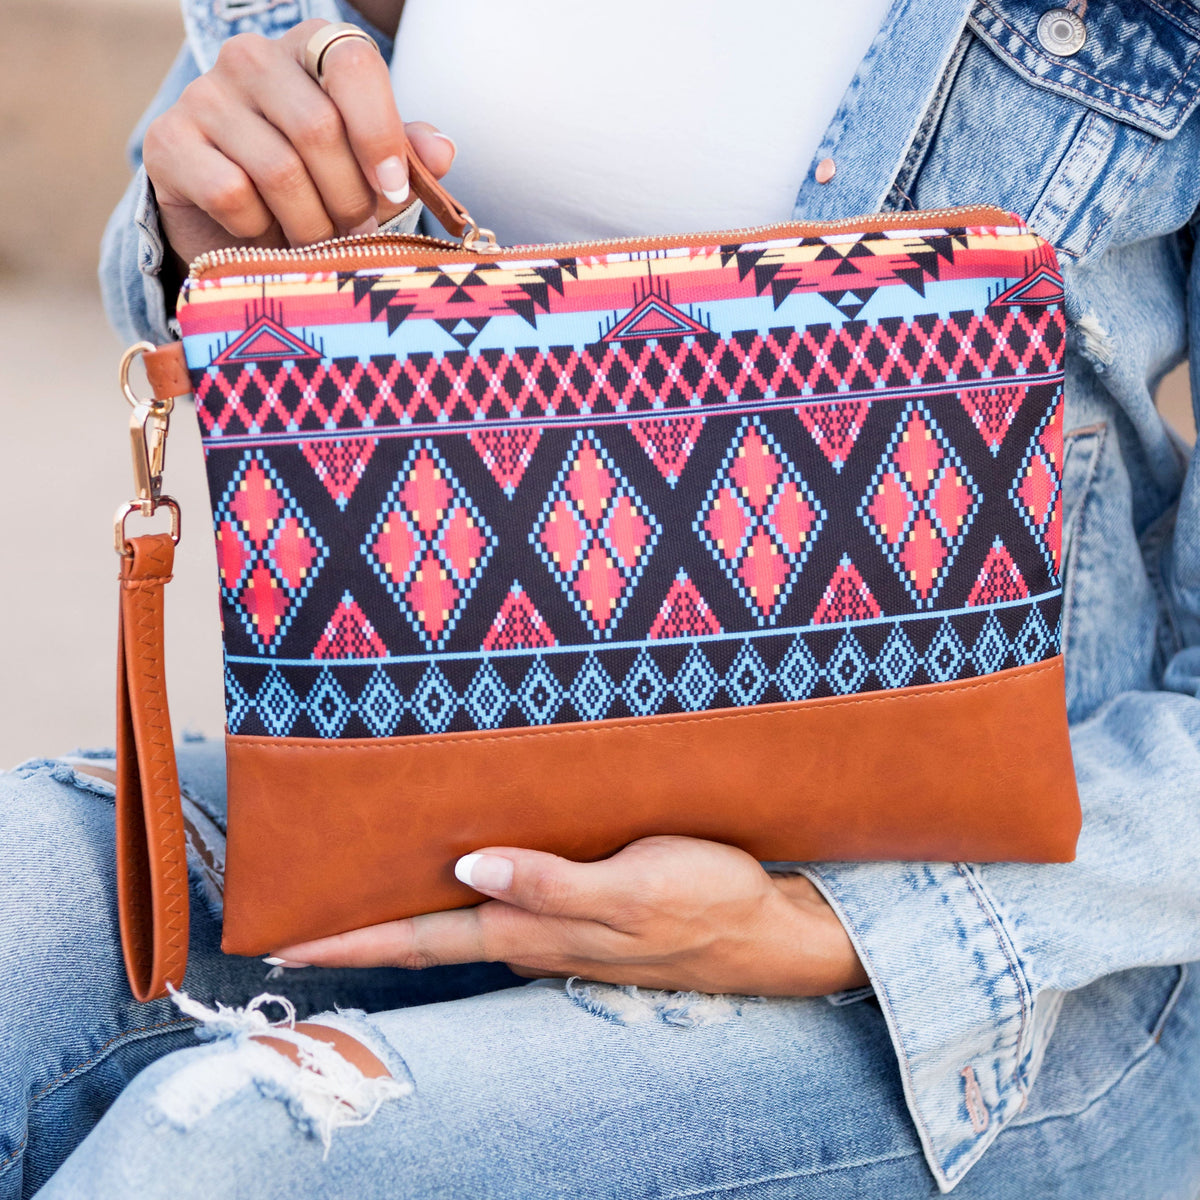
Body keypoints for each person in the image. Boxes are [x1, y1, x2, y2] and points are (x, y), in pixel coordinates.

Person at [3, 0, 1199, 1195]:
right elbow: (180, 290)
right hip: (427, 795)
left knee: (231, 1150)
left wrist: (812, 927)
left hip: (983, 948)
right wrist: (204, 225)